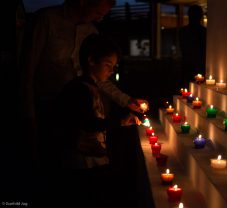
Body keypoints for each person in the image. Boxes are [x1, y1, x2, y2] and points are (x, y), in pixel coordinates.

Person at [21, 0, 148, 167]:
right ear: (82, 2)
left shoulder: (90, 31)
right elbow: (26, 72)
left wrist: (128, 101)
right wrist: (29, 117)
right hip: (47, 109)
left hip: (81, 114)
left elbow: (100, 78)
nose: (99, 19)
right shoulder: (47, 20)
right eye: (97, 13)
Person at [55, 33, 141, 206]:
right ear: (91, 61)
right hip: (82, 160)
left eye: (114, 66)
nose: (111, 71)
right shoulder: (79, 90)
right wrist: (120, 122)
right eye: (108, 65)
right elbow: (87, 123)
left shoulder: (91, 86)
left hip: (93, 157)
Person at [179, 4, 206, 88]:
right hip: (197, 66)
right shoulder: (204, 32)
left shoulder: (183, 31)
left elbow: (183, 49)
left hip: (189, 66)